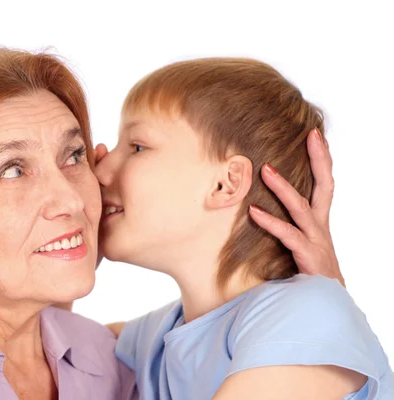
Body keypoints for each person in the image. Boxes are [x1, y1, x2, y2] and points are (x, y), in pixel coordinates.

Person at [0, 47, 343, 399]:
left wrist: (320, 294)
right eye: (12, 170)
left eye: (73, 156)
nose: (77, 196)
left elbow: (243, 329)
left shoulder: (108, 361)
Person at [97, 58, 393, 399]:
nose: (100, 169)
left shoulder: (308, 312)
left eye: (136, 147)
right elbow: (41, 357)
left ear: (226, 183)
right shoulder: (155, 340)